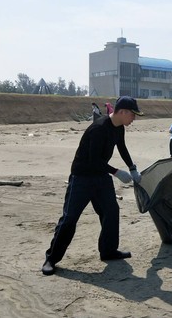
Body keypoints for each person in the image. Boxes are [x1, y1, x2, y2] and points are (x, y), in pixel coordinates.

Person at [41, 96, 144, 276]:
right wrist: (117, 172)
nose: (134, 119)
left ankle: (108, 250)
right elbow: (93, 160)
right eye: (133, 115)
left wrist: (132, 168)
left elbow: (122, 147)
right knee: (70, 218)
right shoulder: (99, 128)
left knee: (111, 211)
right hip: (82, 177)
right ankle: (51, 258)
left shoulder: (119, 128)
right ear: (122, 112)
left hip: (100, 177)